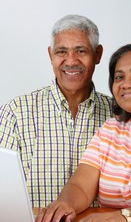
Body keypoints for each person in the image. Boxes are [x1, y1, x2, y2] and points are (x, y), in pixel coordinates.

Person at [36, 42, 131, 222]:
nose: (126, 84)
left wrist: (121, 219)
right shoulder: (111, 129)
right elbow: (81, 185)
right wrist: (65, 205)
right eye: (119, 77)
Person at [0, 14, 113, 207]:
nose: (71, 61)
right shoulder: (16, 112)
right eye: (61, 52)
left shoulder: (119, 115)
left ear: (98, 54)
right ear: (50, 55)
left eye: (81, 51)